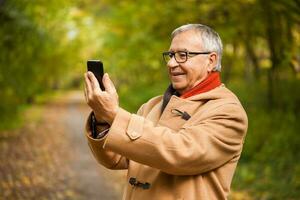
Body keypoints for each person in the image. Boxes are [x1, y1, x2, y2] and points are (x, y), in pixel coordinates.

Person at [84, 24, 248, 200]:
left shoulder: (228, 112)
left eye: (182, 55)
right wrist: (102, 119)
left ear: (211, 60)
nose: (171, 63)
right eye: (170, 55)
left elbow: (181, 153)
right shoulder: (152, 105)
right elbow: (115, 158)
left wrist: (114, 115)